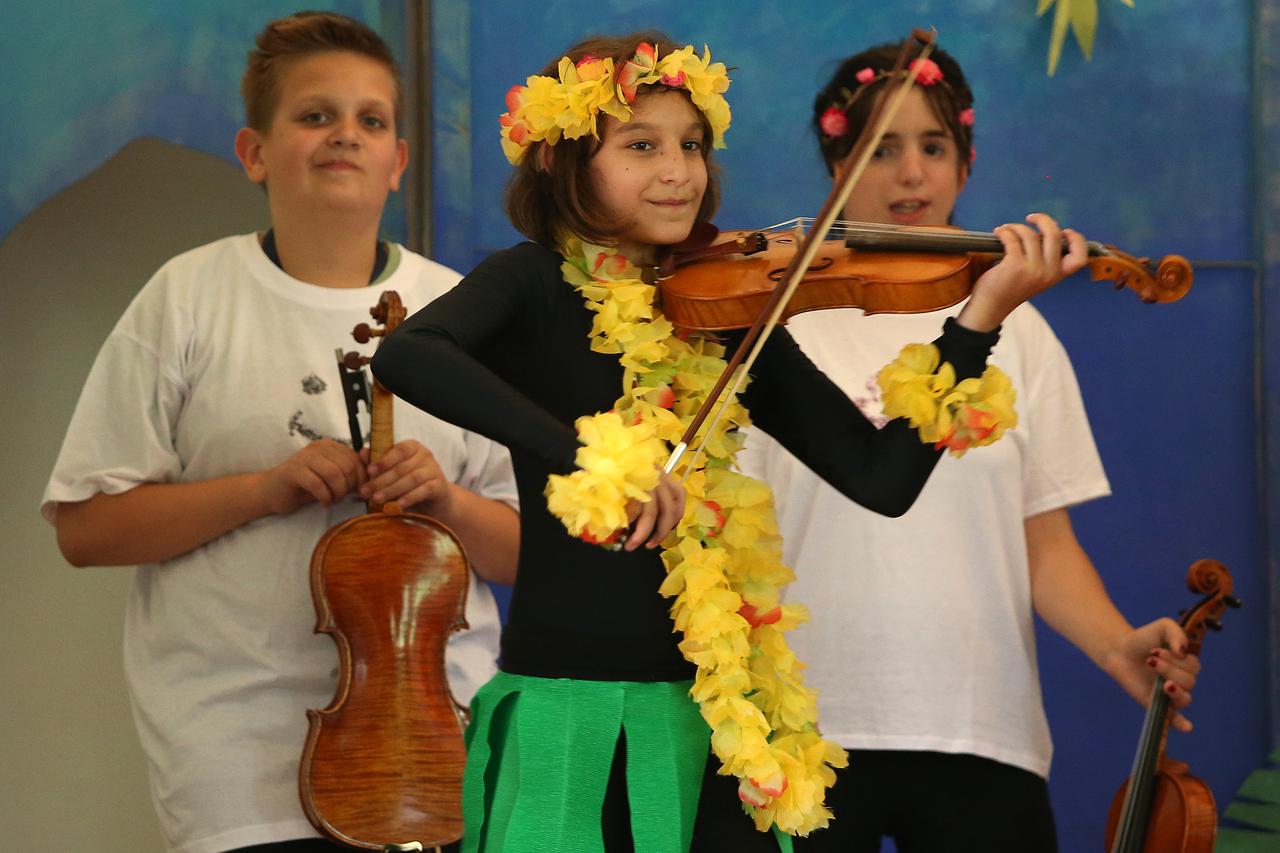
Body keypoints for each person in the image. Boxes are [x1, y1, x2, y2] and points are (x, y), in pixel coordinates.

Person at [369, 31, 1088, 853]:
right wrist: (584, 453)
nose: (678, 169)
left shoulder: (725, 313)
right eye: (641, 145)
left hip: (711, 730)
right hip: (573, 721)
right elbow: (410, 353)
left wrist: (977, 324)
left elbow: (880, 477)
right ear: (565, 162)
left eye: (692, 144)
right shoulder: (531, 280)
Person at [41, 12, 519, 853]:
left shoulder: (462, 310)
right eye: (314, 115)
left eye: (372, 120)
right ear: (254, 152)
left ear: (399, 160)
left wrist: (443, 499)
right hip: (236, 751)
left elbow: (529, 550)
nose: (345, 136)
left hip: (434, 740)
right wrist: (263, 490)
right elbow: (86, 526)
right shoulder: (187, 296)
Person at [735, 41, 1202, 852]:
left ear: (965, 161)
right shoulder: (774, 317)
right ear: (835, 159)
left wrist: (1113, 642)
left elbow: (1043, 543)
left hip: (981, 725)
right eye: (881, 148)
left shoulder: (1018, 326)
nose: (911, 173)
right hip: (794, 730)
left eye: (933, 147)